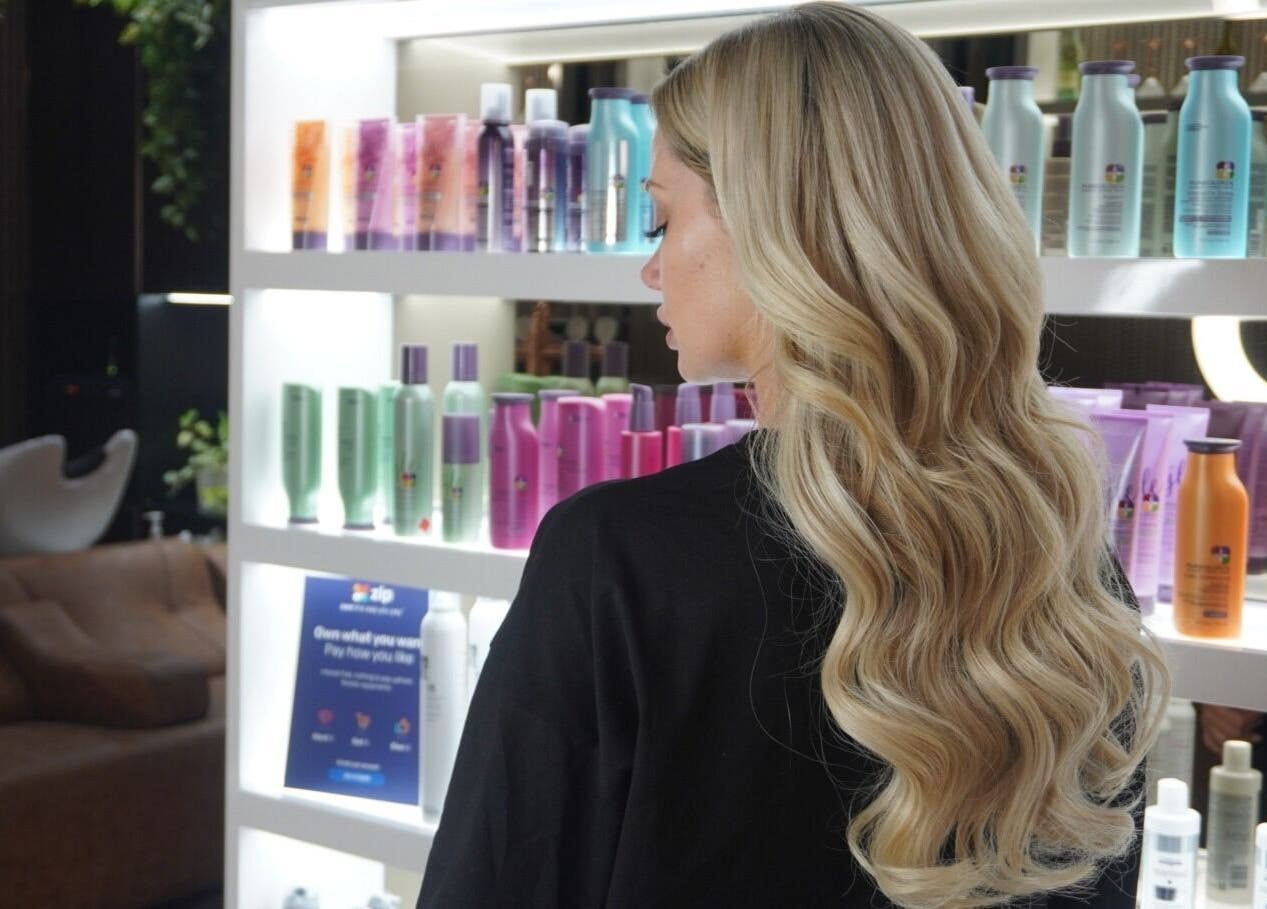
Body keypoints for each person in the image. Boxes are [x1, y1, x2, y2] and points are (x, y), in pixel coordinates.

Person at [418, 4, 1169, 907]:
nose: (649, 271)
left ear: (778, 230)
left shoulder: (613, 564)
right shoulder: (1057, 557)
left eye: (660, 222)